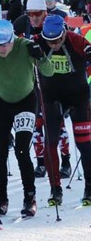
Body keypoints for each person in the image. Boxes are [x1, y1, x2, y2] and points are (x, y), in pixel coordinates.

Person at [0, 19, 50, 217]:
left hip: (26, 101)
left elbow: (48, 70)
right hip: (1, 101)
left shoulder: (25, 46)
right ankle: (1, 198)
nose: (1, 49)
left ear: (13, 39)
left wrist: (41, 57)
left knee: (21, 150)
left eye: (5, 43)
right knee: (0, 151)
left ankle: (30, 197)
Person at [31, 14, 91, 207]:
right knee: (50, 144)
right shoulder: (38, 42)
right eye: (50, 41)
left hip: (78, 96)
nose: (54, 44)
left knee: (84, 144)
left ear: (64, 32)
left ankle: (89, 187)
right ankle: (55, 189)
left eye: (57, 39)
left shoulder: (77, 40)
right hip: (51, 97)